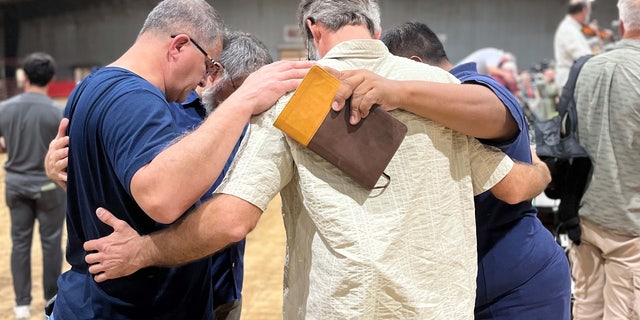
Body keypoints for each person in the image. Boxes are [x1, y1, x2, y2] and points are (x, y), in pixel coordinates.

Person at [82, 1, 552, 318]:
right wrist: (546, 168)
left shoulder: (295, 94)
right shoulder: (440, 88)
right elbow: (510, 183)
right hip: (441, 306)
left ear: (312, 29)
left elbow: (231, 220)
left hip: (342, 306)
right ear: (376, 28)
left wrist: (144, 251)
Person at [48, 0, 313, 319]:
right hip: (127, 308)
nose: (205, 78)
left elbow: (102, 188)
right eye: (209, 63)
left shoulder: (93, 87)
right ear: (179, 46)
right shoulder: (135, 99)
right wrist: (243, 99)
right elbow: (163, 197)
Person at [376, 21, 571, 319]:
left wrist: (399, 91)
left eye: (395, 74)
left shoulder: (473, 87)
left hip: (518, 283)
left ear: (414, 65)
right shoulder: (430, 111)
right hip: (474, 286)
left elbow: (514, 185)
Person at [571, 0, 640, 318]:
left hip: (584, 217)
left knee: (585, 308)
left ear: (621, 23)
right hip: (630, 227)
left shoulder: (586, 67)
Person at [0, 52, 66, 320]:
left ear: (24, 77)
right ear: (50, 78)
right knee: (51, 245)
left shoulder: (4, 108)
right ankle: (50, 303)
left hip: (15, 185)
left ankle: (20, 306)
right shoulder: (56, 112)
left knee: (19, 243)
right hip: (48, 188)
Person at [553, 0, 596, 89]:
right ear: (584, 10)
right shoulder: (569, 30)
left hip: (570, 80)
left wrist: (596, 40)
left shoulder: (571, 28)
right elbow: (584, 57)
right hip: (569, 82)